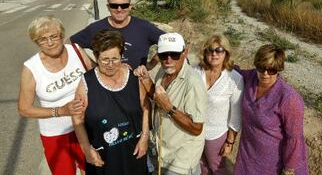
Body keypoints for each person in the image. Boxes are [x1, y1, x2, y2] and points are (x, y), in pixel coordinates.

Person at [18, 16, 94, 175]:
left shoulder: (76, 51)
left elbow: (96, 78)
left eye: (54, 36)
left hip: (87, 125)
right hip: (56, 135)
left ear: (62, 35)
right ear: (36, 42)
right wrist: (60, 111)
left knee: (93, 169)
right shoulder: (31, 68)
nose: (50, 43)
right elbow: (24, 109)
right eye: (43, 40)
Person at [72, 30, 150, 175]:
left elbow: (146, 107)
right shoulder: (86, 82)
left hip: (134, 152)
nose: (110, 64)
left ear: (122, 56)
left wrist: (145, 137)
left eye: (115, 59)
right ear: (96, 57)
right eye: (104, 59)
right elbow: (77, 119)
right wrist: (86, 149)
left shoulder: (134, 77)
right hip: (104, 158)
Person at [137, 32, 208, 175]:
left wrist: (169, 108)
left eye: (174, 54)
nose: (168, 60)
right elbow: (159, 98)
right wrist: (146, 80)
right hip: (164, 152)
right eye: (164, 55)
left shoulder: (193, 83)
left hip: (181, 159)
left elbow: (196, 128)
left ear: (185, 52)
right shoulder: (163, 72)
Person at [233, 44, 309, 175]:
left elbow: (294, 139)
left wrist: (288, 170)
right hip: (248, 156)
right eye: (261, 68)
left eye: (272, 70)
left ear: (279, 69)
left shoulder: (289, 98)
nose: (265, 74)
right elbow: (234, 71)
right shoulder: (251, 78)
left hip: (273, 163)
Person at [69, 0, 164, 70]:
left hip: (137, 85)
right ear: (108, 7)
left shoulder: (144, 27)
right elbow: (69, 44)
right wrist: (92, 66)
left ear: (130, 7)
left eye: (124, 5)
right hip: (105, 86)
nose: (119, 9)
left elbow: (171, 42)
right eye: (114, 6)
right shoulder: (96, 28)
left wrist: (151, 65)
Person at [193, 35, 243, 175]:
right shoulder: (195, 71)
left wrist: (230, 141)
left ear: (226, 53)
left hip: (216, 135)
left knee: (219, 169)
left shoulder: (234, 79)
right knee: (201, 168)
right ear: (205, 52)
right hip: (194, 130)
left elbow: (236, 115)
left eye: (219, 50)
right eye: (210, 50)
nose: (214, 54)